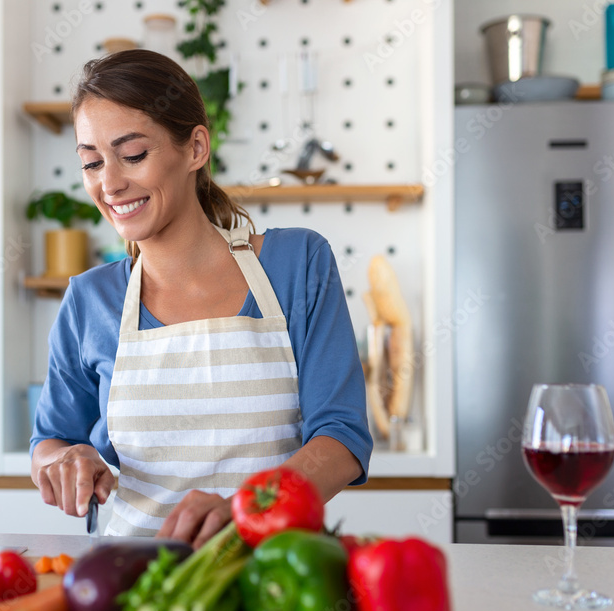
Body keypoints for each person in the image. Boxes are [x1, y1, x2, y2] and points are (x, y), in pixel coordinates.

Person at [30, 49, 373, 548]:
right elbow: (50, 442)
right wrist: (66, 462)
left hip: (278, 575)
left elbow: (342, 438)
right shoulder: (90, 299)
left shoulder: (297, 263)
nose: (109, 184)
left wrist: (244, 511)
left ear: (195, 148)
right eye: (91, 162)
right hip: (135, 584)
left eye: (133, 155)